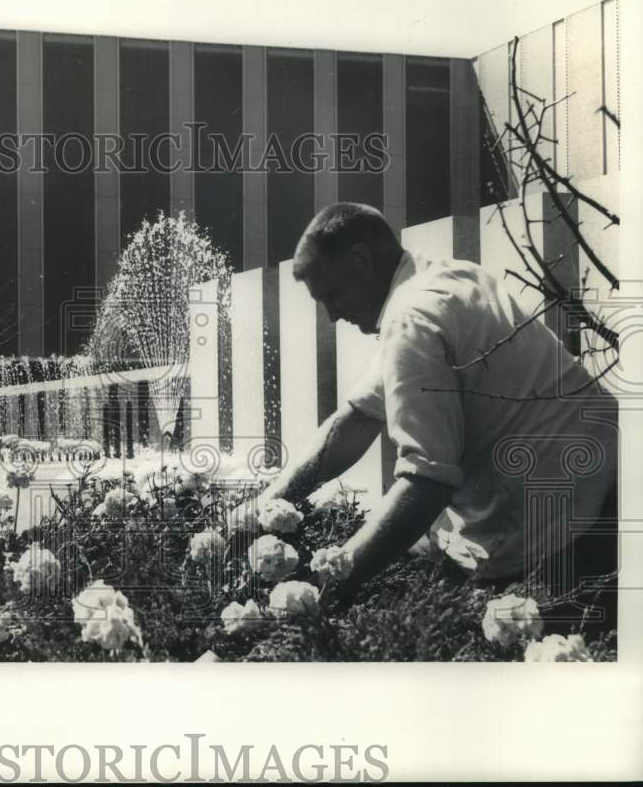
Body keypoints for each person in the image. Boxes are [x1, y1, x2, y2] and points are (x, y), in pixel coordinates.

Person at [259, 202, 618, 634]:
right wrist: (265, 505)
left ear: (361, 259)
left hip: (572, 532)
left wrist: (329, 583)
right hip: (609, 481)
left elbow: (425, 484)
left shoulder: (411, 320)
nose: (332, 316)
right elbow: (355, 420)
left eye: (332, 295)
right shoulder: (445, 277)